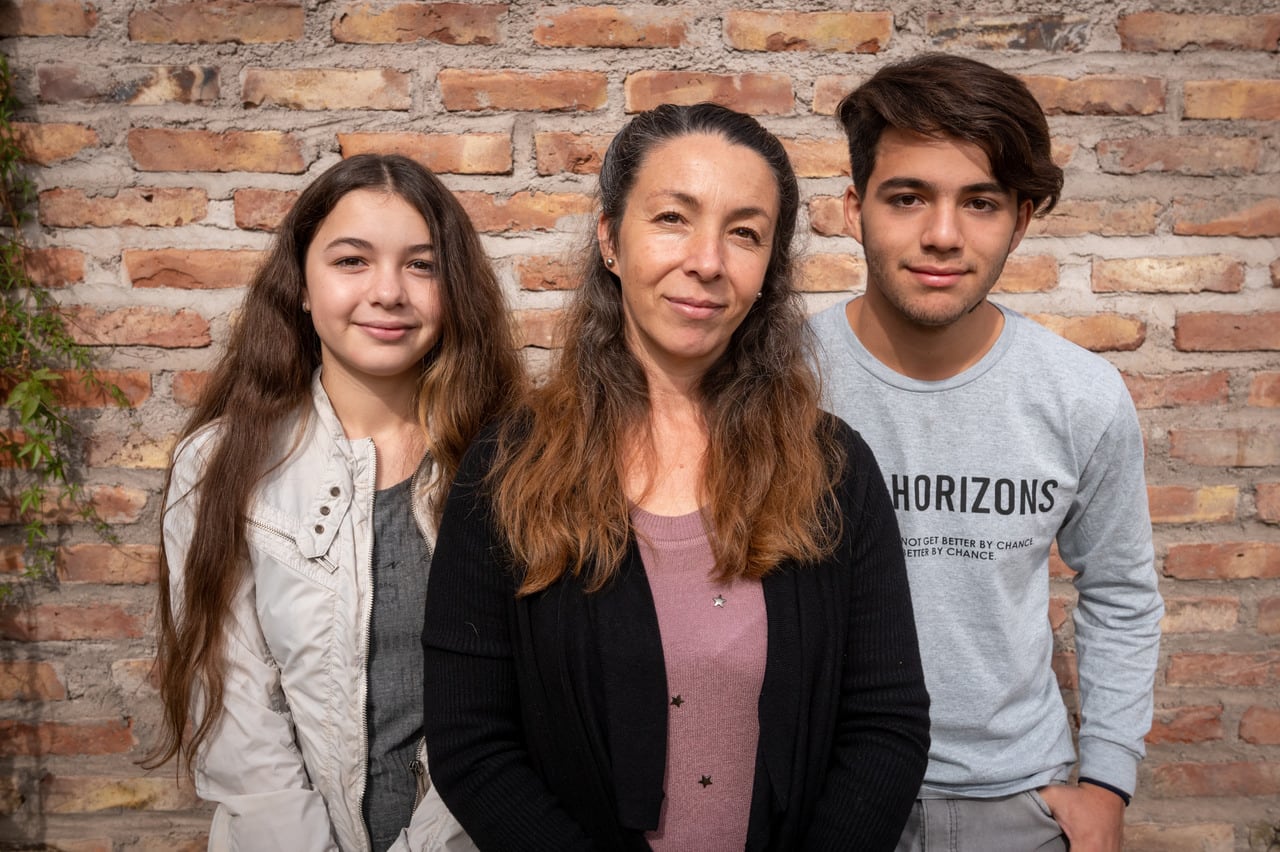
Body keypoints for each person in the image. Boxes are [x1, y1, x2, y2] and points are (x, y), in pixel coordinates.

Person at [420, 102, 930, 852]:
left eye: (745, 233)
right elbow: (472, 745)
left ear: (769, 273)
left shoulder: (835, 470)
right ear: (610, 240)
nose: (708, 260)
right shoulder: (505, 469)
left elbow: (886, 724)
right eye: (672, 218)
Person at [808, 54, 1164, 852]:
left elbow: (1121, 592)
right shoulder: (781, 382)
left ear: (1022, 219)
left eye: (980, 202)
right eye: (907, 198)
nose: (942, 235)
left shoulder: (1081, 394)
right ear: (853, 207)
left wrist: (1105, 784)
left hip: (1016, 803)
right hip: (825, 793)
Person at [150, 153, 522, 851]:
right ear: (300, 284)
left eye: (422, 265)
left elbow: (521, 711)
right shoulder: (219, 466)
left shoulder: (515, 462)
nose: (389, 292)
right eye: (352, 261)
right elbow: (234, 718)